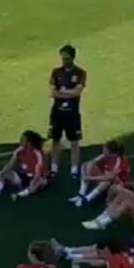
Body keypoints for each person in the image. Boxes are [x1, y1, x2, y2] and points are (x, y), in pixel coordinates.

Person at [48, 45, 87, 177]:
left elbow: (77, 92)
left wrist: (62, 93)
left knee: (74, 141)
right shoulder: (56, 72)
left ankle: (74, 169)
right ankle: (54, 168)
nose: (64, 61)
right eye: (63, 58)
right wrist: (68, 94)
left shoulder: (80, 73)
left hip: (72, 113)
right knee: (55, 140)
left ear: (72, 58)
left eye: (67, 58)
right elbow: (53, 92)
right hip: (57, 113)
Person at [0, 130, 49, 200]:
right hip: (23, 177)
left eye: (23, 140)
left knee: (39, 182)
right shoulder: (19, 151)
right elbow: (10, 165)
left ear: (29, 142)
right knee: (3, 173)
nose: (20, 141)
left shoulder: (37, 153)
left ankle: (20, 195)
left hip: (36, 177)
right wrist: (2, 173)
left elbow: (38, 172)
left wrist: (33, 181)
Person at [69, 140, 130, 208]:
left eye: (104, 149)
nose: (102, 150)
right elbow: (86, 164)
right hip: (105, 182)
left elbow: (110, 177)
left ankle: (88, 199)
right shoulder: (105, 156)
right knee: (90, 165)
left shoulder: (120, 160)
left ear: (110, 152)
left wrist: (89, 178)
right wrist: (84, 174)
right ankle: (81, 195)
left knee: (108, 179)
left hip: (117, 186)